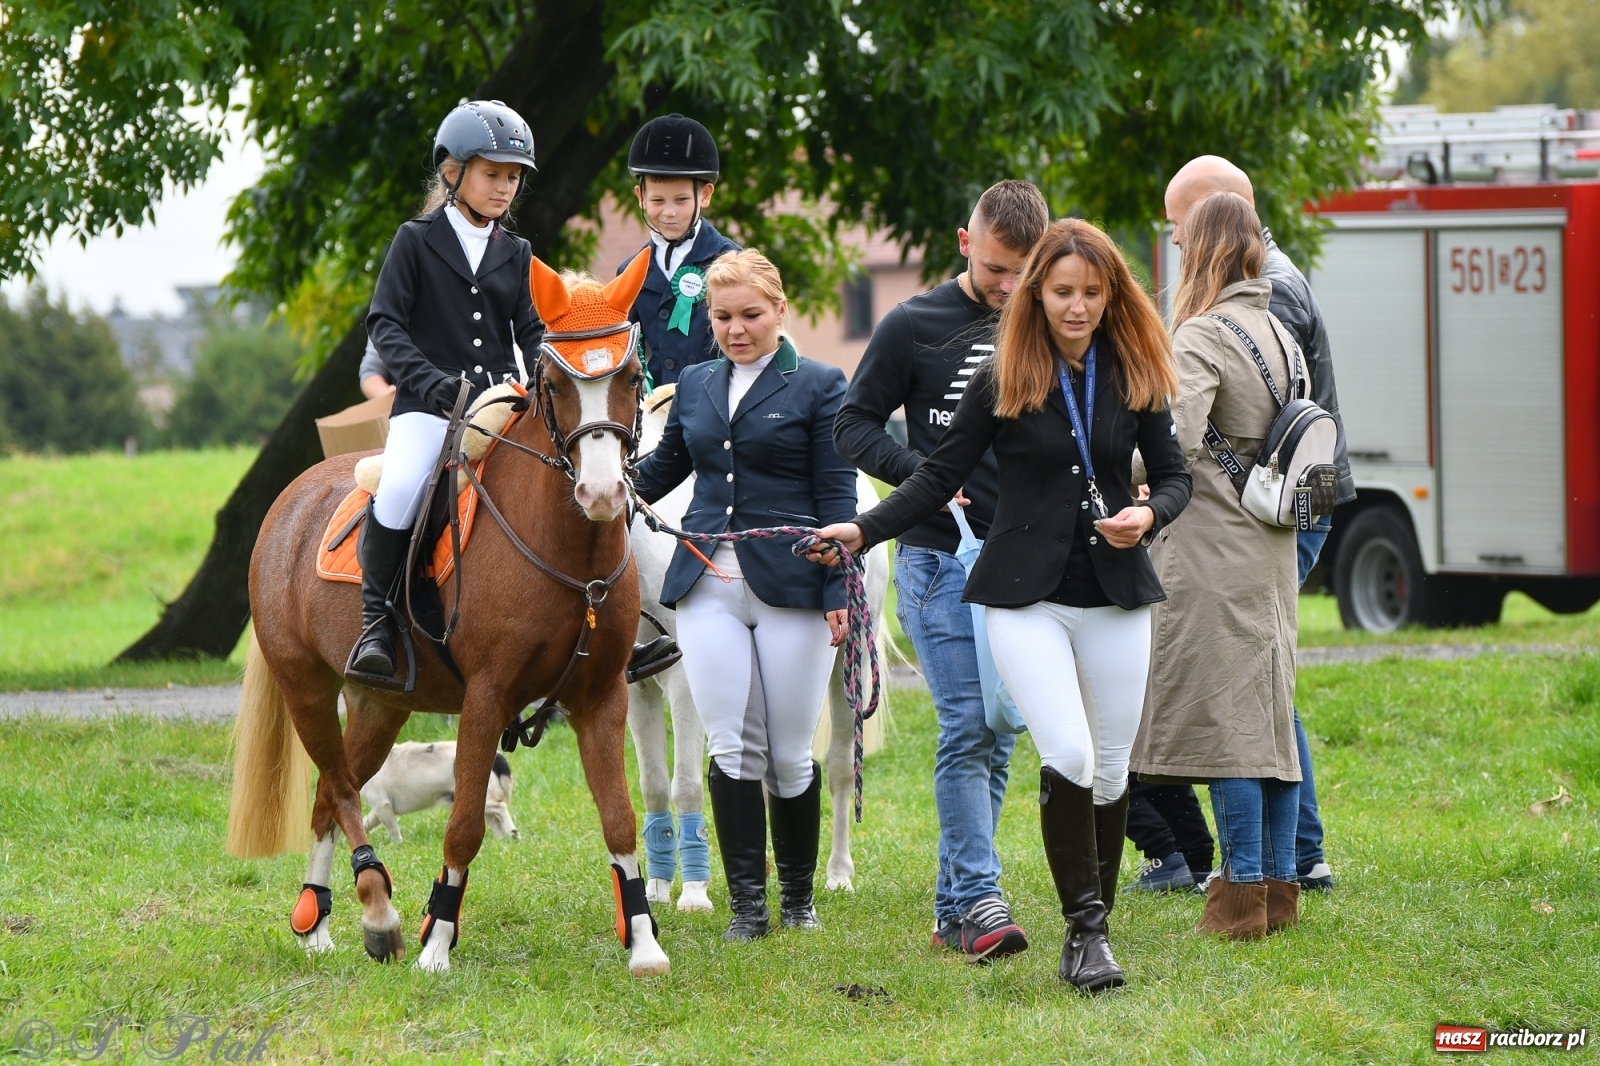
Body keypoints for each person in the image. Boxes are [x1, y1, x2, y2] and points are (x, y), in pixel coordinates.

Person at [814, 219, 1193, 993]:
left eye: (1092, 293)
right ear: (1038, 294)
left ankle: (1098, 927)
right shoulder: (1004, 372)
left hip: (1117, 591)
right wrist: (862, 530)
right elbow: (932, 476)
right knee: (1072, 757)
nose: (1077, 307)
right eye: (1061, 293)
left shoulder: (1136, 370)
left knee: (1115, 772)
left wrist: (1149, 516)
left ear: (1111, 293)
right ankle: (1085, 939)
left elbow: (1177, 475)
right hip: (1023, 595)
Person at [833, 179, 1048, 960]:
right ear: (966, 242)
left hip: (1025, 562)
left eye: (1025, 271)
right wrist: (922, 469)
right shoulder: (913, 325)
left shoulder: (1051, 322)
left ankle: (955, 908)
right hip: (935, 554)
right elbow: (850, 426)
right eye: (997, 269)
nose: (1009, 287)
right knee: (966, 723)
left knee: (999, 729)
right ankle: (984, 900)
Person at [632, 249, 857, 942]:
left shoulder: (820, 384)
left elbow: (836, 492)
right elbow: (664, 466)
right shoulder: (696, 382)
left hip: (792, 582)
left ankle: (798, 900)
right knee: (730, 745)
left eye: (750, 316)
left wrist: (836, 585)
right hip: (705, 583)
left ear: (779, 311)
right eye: (723, 317)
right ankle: (749, 908)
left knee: (789, 751)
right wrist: (605, 480)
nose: (736, 329)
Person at [1163, 155, 1351, 892]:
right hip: (1279, 523)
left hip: (1223, 536)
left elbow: (1173, 439)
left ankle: (1254, 878)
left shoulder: (1209, 332)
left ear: (1209, 235)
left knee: (1232, 710)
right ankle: (1280, 874)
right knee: (1268, 700)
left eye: (1181, 234)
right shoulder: (1282, 317)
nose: (1175, 248)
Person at [1130, 190, 1303, 940]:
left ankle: (1237, 901)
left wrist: (1125, 467)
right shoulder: (1281, 333)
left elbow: (1177, 437)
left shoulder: (1202, 335)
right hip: (1272, 546)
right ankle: (1282, 889)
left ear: (1197, 252)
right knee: (1271, 725)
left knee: (1231, 729)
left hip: (1212, 551)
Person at [352, 100, 542, 682]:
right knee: (404, 486)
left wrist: (536, 376)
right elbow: (385, 323)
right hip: (428, 407)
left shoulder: (517, 251)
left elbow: (530, 328)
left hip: (499, 406)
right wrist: (427, 380)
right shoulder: (415, 240)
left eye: (513, 177)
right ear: (453, 171)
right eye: (493, 174)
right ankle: (375, 622)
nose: (505, 187)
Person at [623, 114, 741, 387]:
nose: (669, 212)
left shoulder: (734, 261)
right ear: (641, 197)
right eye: (657, 200)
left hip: (721, 402)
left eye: (681, 199)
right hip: (656, 410)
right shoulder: (630, 272)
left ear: (706, 195)